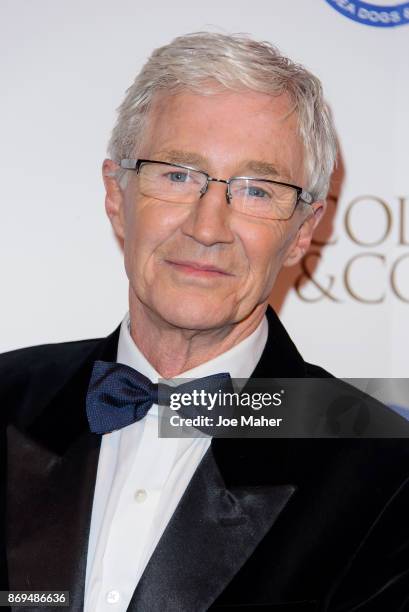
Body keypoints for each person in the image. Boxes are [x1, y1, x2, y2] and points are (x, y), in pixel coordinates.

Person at [1, 32, 409, 612]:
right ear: (117, 194)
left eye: (257, 190)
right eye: (176, 175)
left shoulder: (386, 475)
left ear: (302, 231)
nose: (207, 226)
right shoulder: (8, 400)